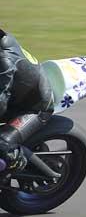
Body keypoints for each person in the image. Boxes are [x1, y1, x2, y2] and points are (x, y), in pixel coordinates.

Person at [0, 29, 54, 172]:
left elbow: (0, 104)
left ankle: (14, 161)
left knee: (2, 145)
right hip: (16, 96)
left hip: (34, 107)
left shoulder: (4, 60)